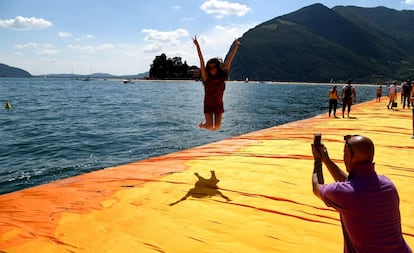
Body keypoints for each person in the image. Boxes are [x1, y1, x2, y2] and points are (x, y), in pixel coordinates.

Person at [311, 135, 412, 253]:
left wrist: (318, 160)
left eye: (345, 154)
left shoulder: (345, 193)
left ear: (349, 157)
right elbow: (352, 186)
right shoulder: (388, 184)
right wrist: (327, 160)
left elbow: (317, 187)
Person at [193, 36, 240, 131]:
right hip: (208, 104)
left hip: (219, 104)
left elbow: (229, 61)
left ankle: (210, 127)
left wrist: (236, 47)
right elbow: (201, 61)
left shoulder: (222, 77)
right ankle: (202, 125)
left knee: (217, 127)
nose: (212, 69)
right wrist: (197, 46)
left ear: (218, 67)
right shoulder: (206, 78)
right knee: (210, 126)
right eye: (210, 68)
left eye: (214, 67)